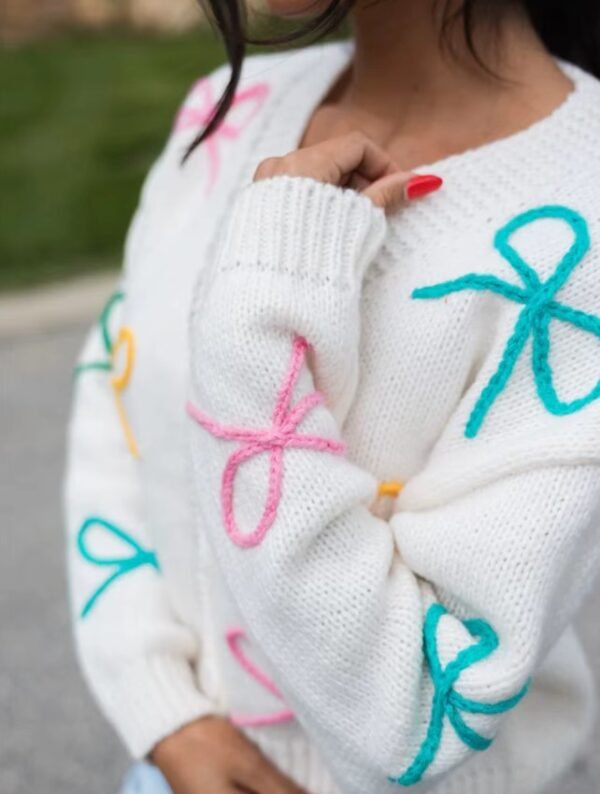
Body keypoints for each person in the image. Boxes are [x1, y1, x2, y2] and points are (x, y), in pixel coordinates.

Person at [64, 1, 600, 793]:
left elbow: (419, 711)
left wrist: (262, 300)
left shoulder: (581, 220)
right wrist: (165, 711)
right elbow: (114, 410)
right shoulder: (224, 112)